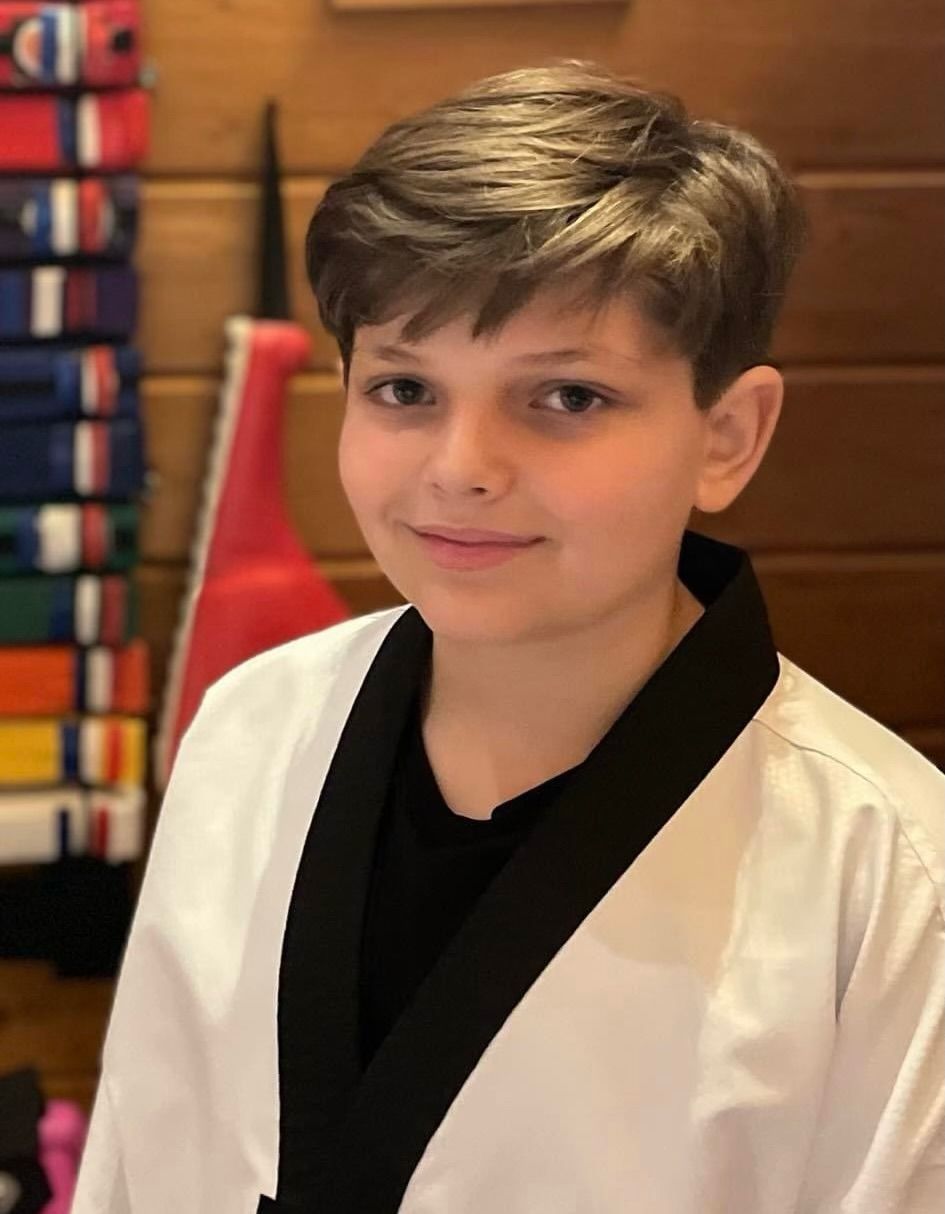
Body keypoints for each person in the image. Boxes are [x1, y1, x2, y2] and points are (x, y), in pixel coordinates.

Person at [72, 61, 943, 1213]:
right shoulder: (250, 727)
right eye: (403, 389)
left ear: (727, 434)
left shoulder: (891, 877)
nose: (461, 469)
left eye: (567, 397)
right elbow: (140, 1157)